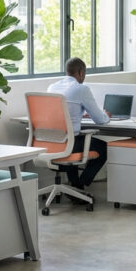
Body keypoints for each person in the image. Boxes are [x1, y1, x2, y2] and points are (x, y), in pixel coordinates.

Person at [47, 57, 110, 191]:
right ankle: (80, 184)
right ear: (81, 72)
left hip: (52, 143)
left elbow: (63, 113)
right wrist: (107, 115)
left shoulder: (52, 87)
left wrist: (81, 114)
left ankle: (74, 185)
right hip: (70, 143)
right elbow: (100, 120)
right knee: (104, 148)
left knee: (76, 139)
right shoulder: (81, 89)